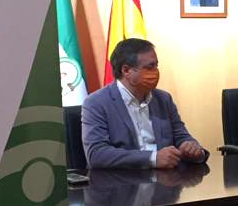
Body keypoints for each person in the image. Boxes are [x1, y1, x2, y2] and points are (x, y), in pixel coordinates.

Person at [81, 38, 208, 169]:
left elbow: (181, 137)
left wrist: (192, 147)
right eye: (149, 67)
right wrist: (152, 158)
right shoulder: (96, 103)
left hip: (166, 178)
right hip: (122, 179)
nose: (155, 72)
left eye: (156, 66)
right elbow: (96, 154)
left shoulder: (163, 99)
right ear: (126, 71)